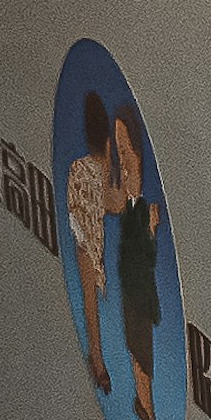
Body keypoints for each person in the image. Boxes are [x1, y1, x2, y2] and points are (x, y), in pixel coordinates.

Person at [108, 106, 167, 420]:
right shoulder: (130, 207)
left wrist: (152, 232)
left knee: (142, 349)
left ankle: (146, 406)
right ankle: (145, 407)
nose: (123, 159)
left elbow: (146, 259)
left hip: (140, 291)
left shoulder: (142, 208)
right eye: (119, 151)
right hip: (133, 289)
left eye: (126, 149)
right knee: (136, 348)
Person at [63, 85, 116, 392]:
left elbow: (76, 205)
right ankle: (97, 362)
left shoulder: (78, 166)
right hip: (92, 244)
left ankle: (97, 361)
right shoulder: (100, 166)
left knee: (89, 304)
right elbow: (112, 203)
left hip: (82, 242)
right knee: (92, 303)